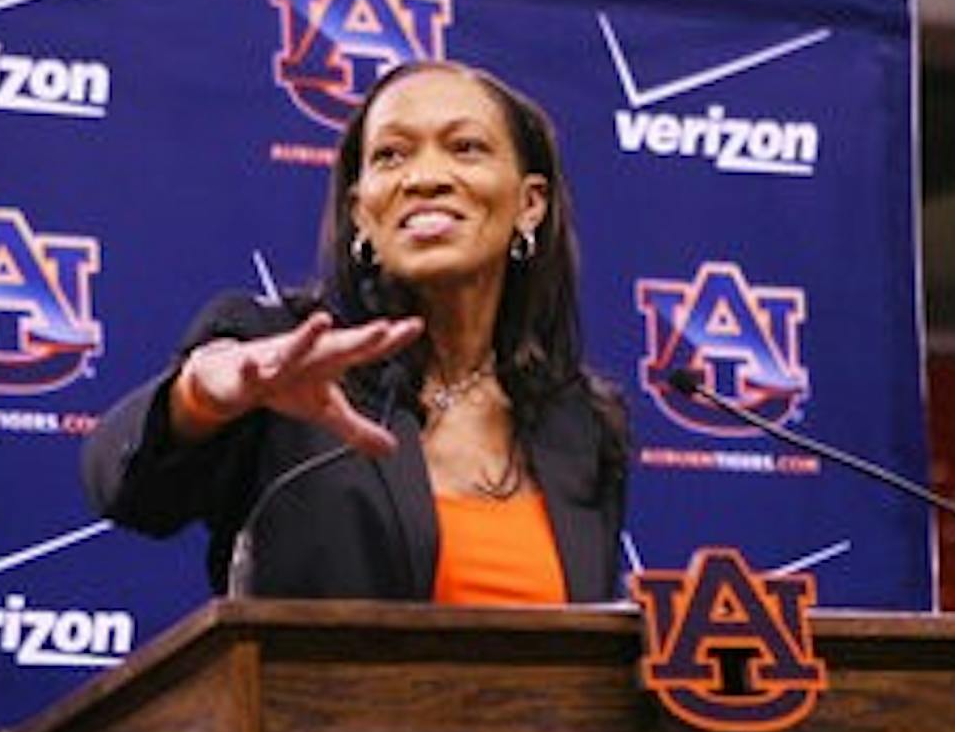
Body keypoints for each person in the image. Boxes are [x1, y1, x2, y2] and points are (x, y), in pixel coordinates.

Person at [82, 60, 627, 602]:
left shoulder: (580, 423)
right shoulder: (285, 355)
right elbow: (128, 490)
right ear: (361, 213)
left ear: (530, 204)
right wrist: (200, 396)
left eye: (465, 147)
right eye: (391, 155)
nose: (425, 178)